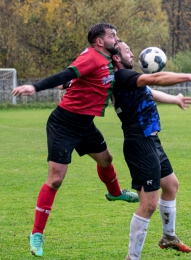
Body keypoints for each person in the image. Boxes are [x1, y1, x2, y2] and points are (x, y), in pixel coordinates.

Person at [12, 23, 139, 257]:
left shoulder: (107, 60)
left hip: (85, 124)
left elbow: (74, 81)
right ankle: (37, 233)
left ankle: (115, 192)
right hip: (63, 124)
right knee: (56, 179)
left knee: (106, 158)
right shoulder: (92, 57)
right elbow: (67, 74)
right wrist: (35, 87)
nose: (117, 39)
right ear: (99, 42)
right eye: (113, 36)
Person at [111, 41, 191, 260]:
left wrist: (175, 99)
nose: (132, 52)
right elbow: (156, 79)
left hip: (151, 141)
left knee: (171, 185)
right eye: (127, 50)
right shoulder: (122, 76)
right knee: (149, 204)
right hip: (140, 143)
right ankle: (131, 258)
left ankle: (169, 236)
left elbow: (149, 90)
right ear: (117, 58)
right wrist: (190, 76)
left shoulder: (129, 79)